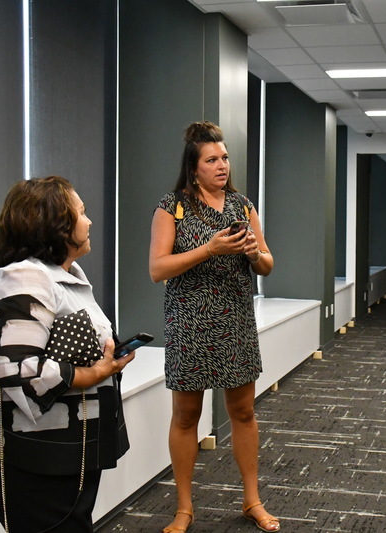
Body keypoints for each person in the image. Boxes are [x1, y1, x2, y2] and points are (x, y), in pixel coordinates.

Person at [0, 176, 136, 533]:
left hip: (66, 450)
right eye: (81, 213)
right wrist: (96, 373)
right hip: (36, 455)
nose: (89, 221)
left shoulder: (67, 276)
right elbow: (19, 370)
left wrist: (107, 361)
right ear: (55, 224)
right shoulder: (25, 277)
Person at [149, 121, 277, 533]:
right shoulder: (171, 206)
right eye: (211, 160)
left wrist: (254, 252)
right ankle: (184, 508)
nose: (222, 165)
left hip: (235, 321)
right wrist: (210, 248)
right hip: (189, 323)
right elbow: (157, 269)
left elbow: (267, 265)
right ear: (194, 167)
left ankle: (252, 500)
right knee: (187, 416)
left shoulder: (243, 205)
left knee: (243, 411)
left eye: (224, 158)